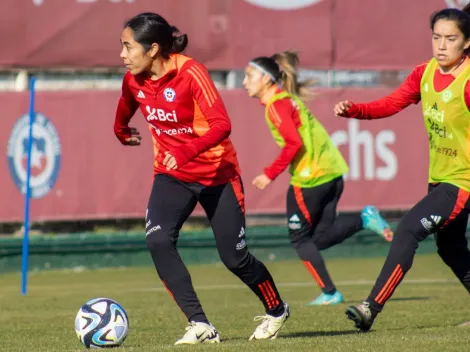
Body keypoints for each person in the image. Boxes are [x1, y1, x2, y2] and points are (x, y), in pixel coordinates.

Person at [113, 12, 290, 345]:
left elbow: (222, 125)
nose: (122, 55)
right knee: (157, 240)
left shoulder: (191, 72)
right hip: (171, 175)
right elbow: (126, 103)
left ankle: (277, 310)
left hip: (216, 175)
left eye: (127, 47)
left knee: (234, 259)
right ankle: (199, 325)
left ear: (152, 49)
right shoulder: (133, 79)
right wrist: (120, 129)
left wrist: (184, 151)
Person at [334, 5, 470, 331]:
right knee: (450, 248)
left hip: (463, 181)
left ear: (466, 42)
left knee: (409, 227)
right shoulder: (424, 73)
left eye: (450, 39)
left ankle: (370, 307)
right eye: (436, 37)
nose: (441, 45)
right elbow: (393, 102)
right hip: (440, 179)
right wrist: (357, 111)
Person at [242, 51, 393, 306]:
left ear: (267, 79)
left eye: (249, 76)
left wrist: (269, 174)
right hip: (333, 173)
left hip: (311, 178)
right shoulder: (286, 100)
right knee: (319, 238)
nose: (245, 81)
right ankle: (364, 218)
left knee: (299, 238)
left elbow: (293, 143)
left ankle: (330, 292)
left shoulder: (277, 105)